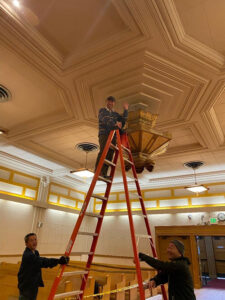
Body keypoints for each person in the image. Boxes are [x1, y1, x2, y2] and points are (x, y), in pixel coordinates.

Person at [18, 233, 69, 300]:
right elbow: (42, 262)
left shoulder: (35, 252)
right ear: (26, 244)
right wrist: (58, 261)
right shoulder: (28, 255)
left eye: (35, 239)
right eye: (31, 240)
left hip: (33, 285)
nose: (34, 242)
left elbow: (42, 261)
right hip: (27, 286)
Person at [95, 96, 128, 178]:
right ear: (106, 102)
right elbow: (105, 119)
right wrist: (115, 124)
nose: (111, 103)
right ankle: (98, 172)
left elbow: (123, 120)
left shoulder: (115, 114)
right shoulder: (102, 110)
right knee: (103, 152)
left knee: (110, 154)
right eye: (109, 101)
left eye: (112, 102)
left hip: (112, 135)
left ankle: (104, 173)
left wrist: (126, 110)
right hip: (104, 134)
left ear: (114, 103)